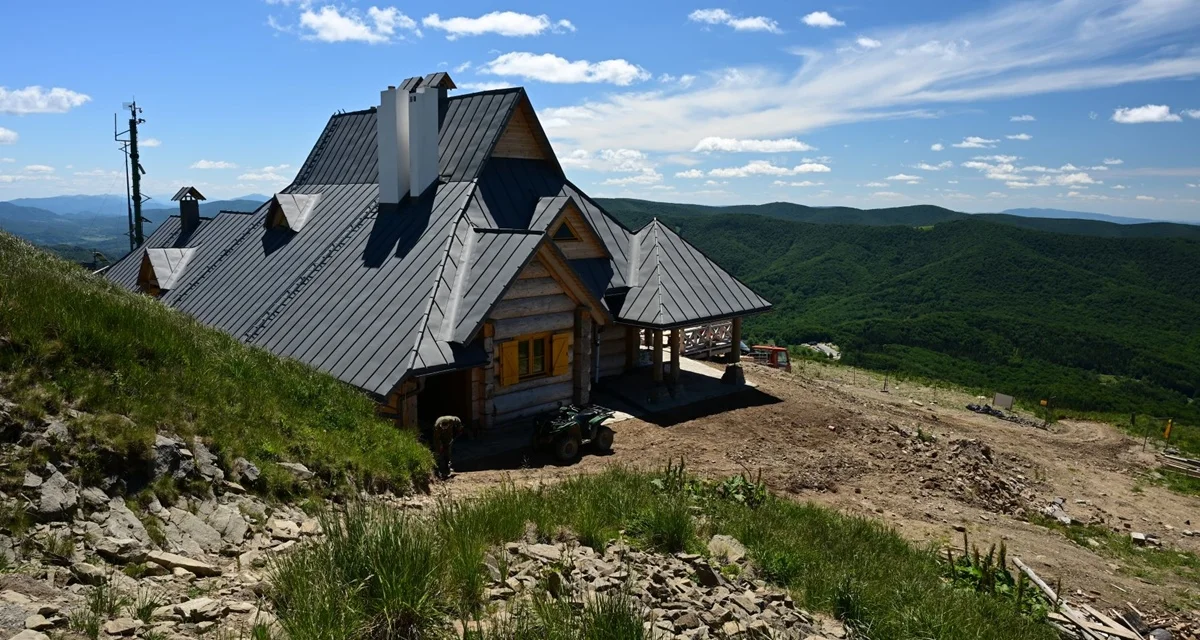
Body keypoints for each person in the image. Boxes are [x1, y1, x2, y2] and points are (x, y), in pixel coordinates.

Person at [433, 415, 464, 479]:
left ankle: (448, 466)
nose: (444, 429)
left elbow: (458, 420)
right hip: (440, 437)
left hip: (448, 437)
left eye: (445, 427)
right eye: (443, 428)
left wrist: (459, 427)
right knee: (439, 452)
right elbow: (437, 439)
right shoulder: (437, 427)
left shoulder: (452, 420)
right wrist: (440, 446)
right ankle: (439, 467)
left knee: (448, 451)